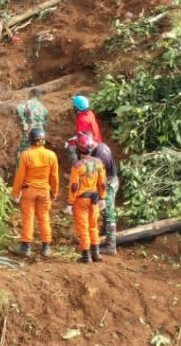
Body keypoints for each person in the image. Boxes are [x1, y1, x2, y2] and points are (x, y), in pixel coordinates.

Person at [11, 127, 58, 257]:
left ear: (30, 140)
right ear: (43, 140)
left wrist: (15, 192)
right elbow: (54, 177)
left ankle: (26, 247)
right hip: (44, 192)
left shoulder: (26, 155)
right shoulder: (51, 155)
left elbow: (20, 176)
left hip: (28, 192)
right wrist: (54, 192)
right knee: (44, 218)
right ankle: (46, 247)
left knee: (28, 218)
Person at [68, 132, 107, 263]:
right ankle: (96, 253)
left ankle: (86, 256)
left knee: (83, 227)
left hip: (81, 200)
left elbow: (74, 186)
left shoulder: (77, 165)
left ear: (79, 149)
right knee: (93, 225)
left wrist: (70, 203)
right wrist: (103, 198)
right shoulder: (99, 163)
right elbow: (102, 183)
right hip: (95, 199)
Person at [91, 134, 121, 255]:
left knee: (108, 213)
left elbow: (98, 176)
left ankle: (111, 247)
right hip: (110, 180)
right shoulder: (100, 146)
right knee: (105, 212)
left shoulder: (100, 156)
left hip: (108, 183)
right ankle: (105, 236)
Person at [67, 94, 104, 165]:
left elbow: (82, 138)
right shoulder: (90, 113)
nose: (73, 107)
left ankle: (76, 167)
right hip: (96, 141)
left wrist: (70, 143)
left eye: (74, 106)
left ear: (77, 108)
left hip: (91, 146)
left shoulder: (82, 120)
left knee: (70, 148)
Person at [16, 87, 49, 154]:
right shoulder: (43, 108)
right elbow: (46, 124)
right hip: (40, 134)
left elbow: (19, 110)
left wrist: (24, 124)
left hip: (29, 132)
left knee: (23, 152)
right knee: (39, 152)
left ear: (31, 94)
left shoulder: (26, 103)